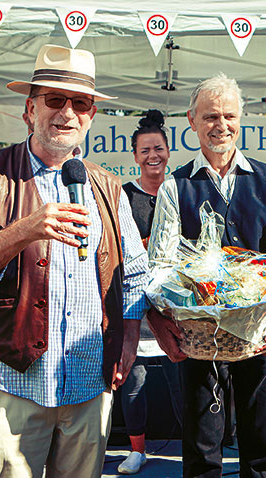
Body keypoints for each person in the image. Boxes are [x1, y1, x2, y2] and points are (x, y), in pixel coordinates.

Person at [0, 44, 150, 478]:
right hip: (12, 383)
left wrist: (129, 340)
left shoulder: (108, 187)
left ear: (91, 116)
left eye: (81, 103)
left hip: (89, 385)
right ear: (29, 110)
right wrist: (23, 230)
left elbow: (135, 276)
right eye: (54, 100)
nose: (67, 113)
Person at [146, 73, 266, 478]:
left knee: (261, 452)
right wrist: (164, 320)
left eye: (229, 116)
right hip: (198, 336)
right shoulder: (175, 186)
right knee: (201, 450)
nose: (221, 125)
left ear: (242, 119)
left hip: (261, 334)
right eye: (211, 116)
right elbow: (160, 266)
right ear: (192, 120)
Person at [118, 109, 183, 475]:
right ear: (135, 156)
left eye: (158, 148)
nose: (152, 156)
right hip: (137, 303)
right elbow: (119, 247)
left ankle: (193, 447)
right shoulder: (125, 196)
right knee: (134, 381)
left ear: (168, 151)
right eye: (145, 150)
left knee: (182, 380)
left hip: (176, 303)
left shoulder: (179, 191)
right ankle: (136, 450)